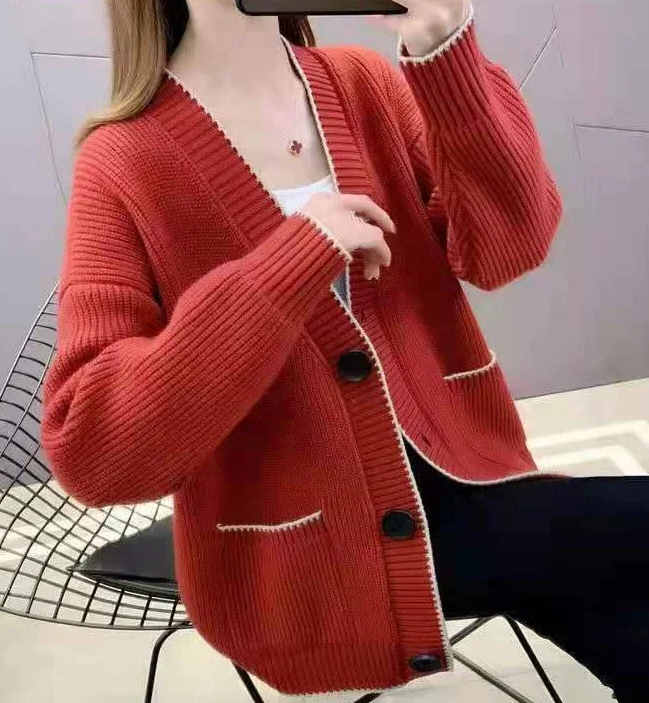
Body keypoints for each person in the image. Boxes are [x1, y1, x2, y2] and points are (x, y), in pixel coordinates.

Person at [42, 0, 649, 699]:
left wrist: (446, 50)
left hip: (468, 475)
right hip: (316, 558)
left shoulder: (365, 86)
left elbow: (508, 247)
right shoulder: (124, 160)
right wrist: (289, 264)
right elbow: (94, 451)